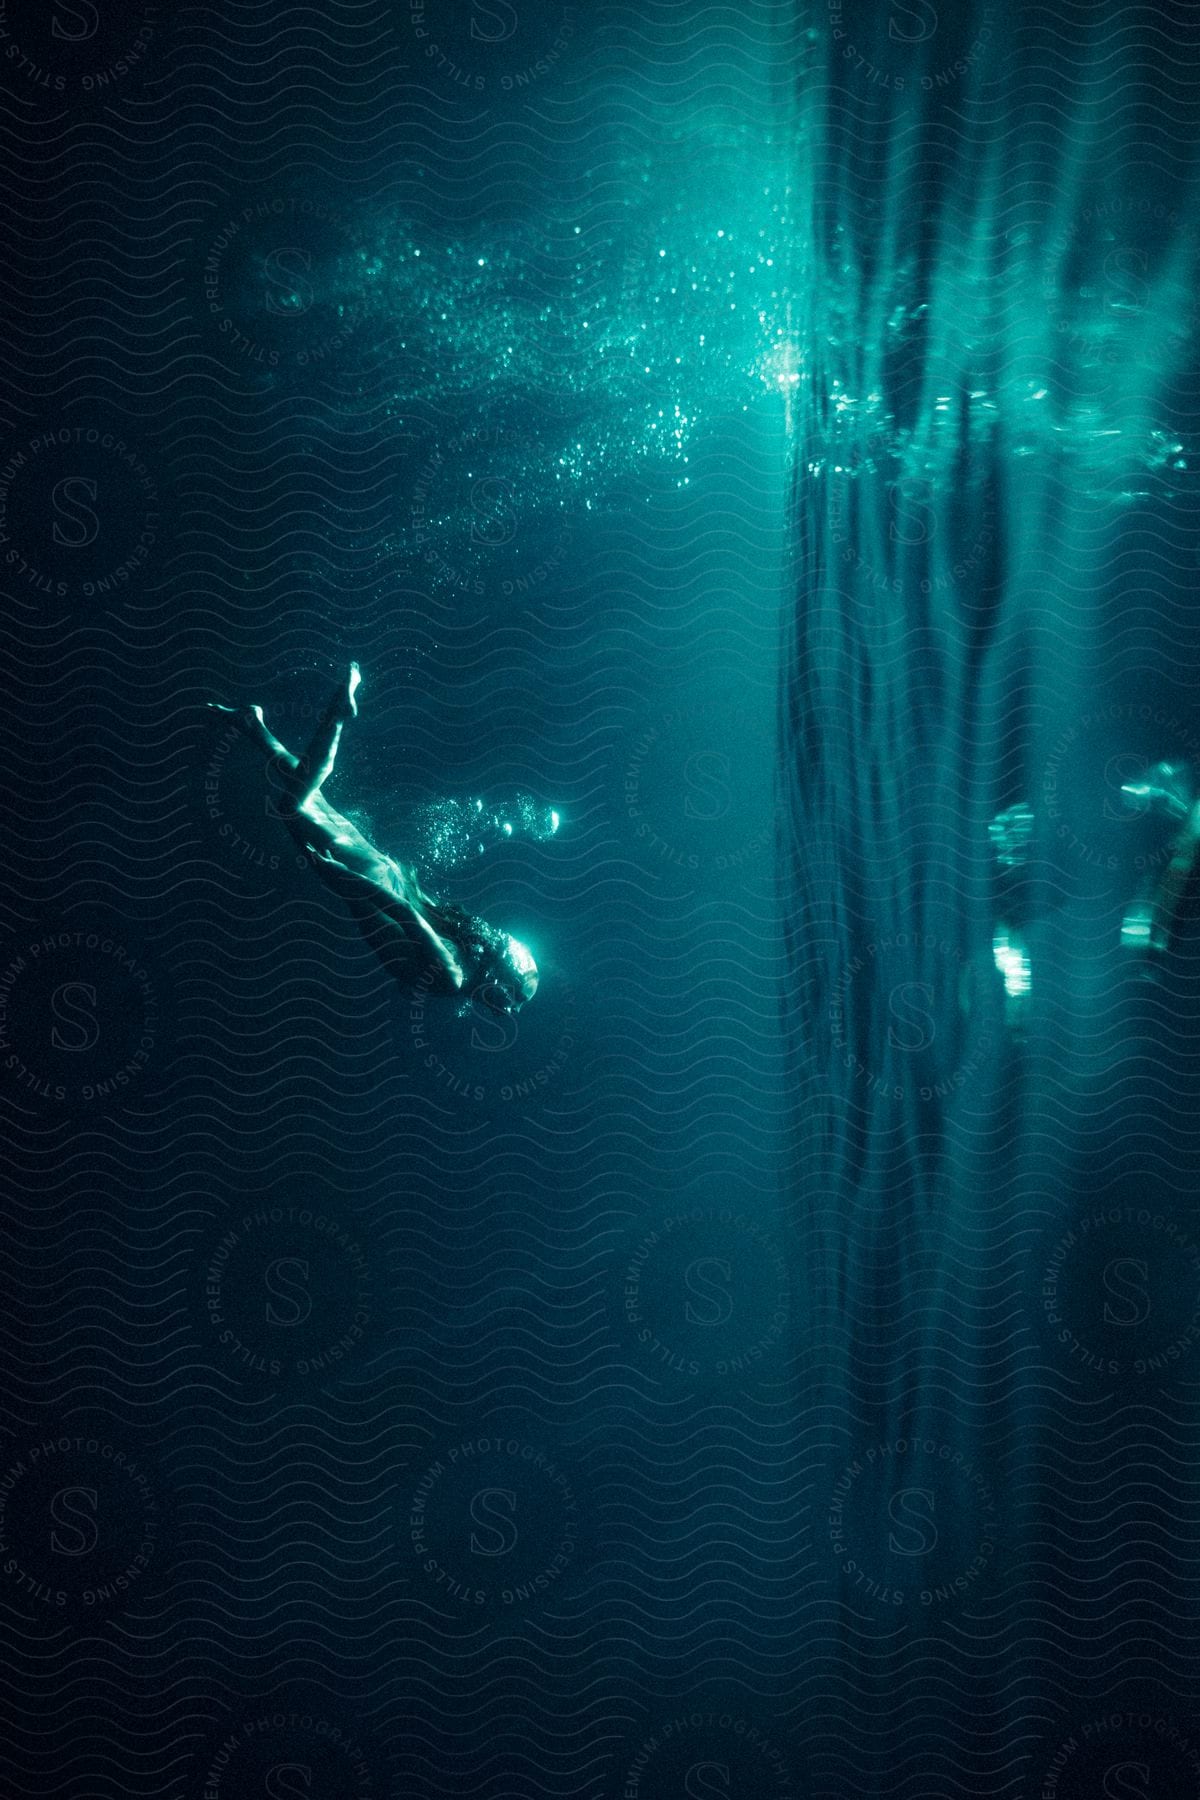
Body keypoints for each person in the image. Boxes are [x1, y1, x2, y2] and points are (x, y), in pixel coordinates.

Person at [208, 664, 539, 1015]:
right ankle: (338, 715)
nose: (506, 1010)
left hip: (383, 872)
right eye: (511, 1000)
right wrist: (339, 875)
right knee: (294, 806)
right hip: (367, 879)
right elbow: (402, 912)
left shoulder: (457, 968)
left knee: (311, 799)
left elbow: (408, 920)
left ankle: (250, 723)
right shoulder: (454, 977)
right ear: (500, 981)